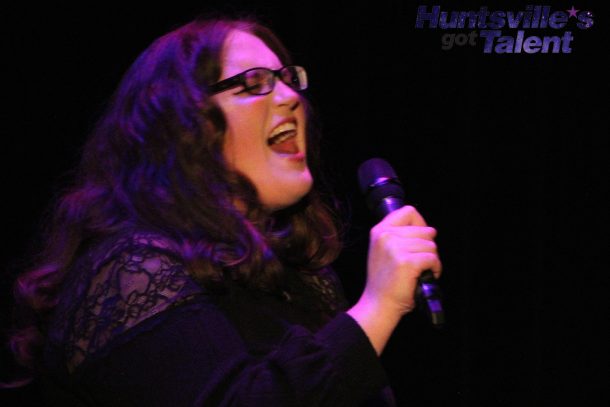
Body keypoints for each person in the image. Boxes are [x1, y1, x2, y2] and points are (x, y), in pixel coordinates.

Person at [5, 16, 442, 406]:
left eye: (289, 78)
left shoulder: (304, 280)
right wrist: (377, 307)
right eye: (254, 81)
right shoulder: (128, 271)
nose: (290, 95)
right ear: (184, 126)